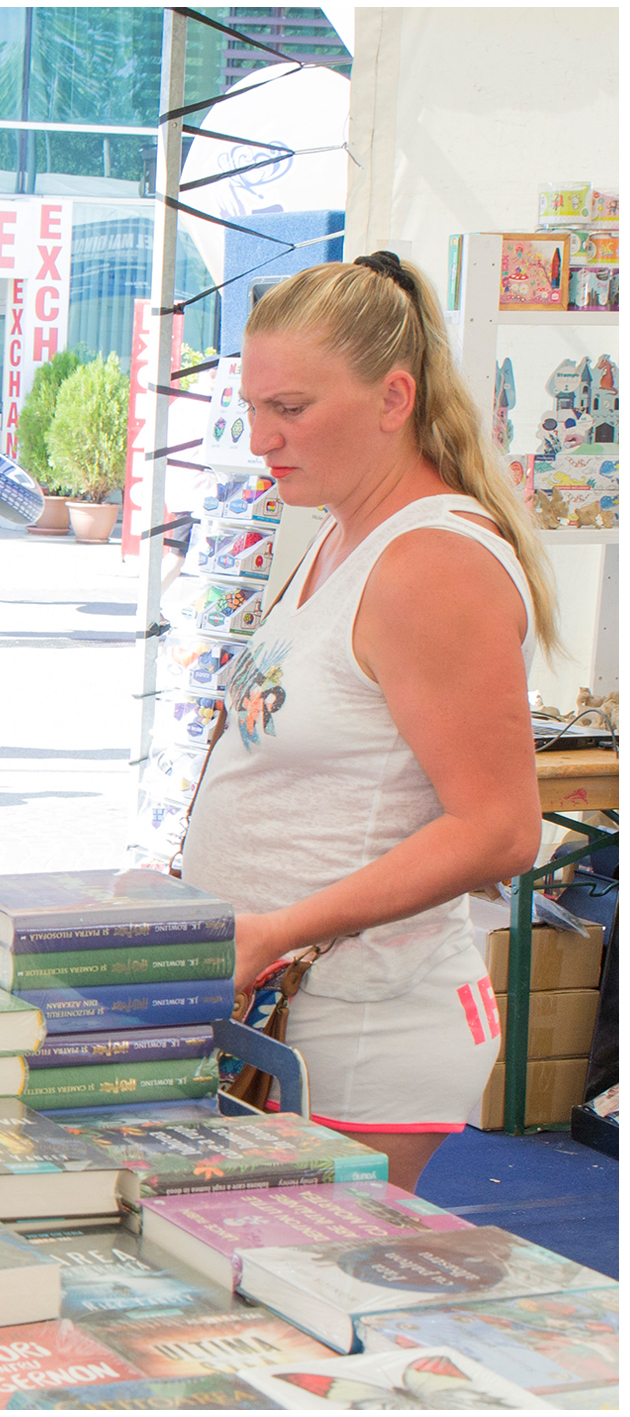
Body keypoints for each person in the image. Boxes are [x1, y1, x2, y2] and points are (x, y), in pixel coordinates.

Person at [182, 252, 561, 1190]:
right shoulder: (339, 528)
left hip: (356, 1030)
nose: (262, 438)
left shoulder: (434, 563)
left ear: (394, 398)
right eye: (253, 406)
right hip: (287, 1017)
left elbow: (501, 829)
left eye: (291, 408)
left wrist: (279, 928)